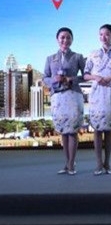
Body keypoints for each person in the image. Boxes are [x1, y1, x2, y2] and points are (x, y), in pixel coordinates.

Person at [83, 24, 111, 175]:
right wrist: (95, 77)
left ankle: (107, 163)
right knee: (97, 128)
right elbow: (85, 74)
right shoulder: (93, 53)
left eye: (107, 34)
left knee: (108, 129)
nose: (104, 37)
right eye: (101, 34)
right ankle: (98, 164)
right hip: (96, 93)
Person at [43, 27, 86, 175]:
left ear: (72, 40)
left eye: (68, 37)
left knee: (72, 131)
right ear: (57, 39)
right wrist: (54, 80)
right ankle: (67, 164)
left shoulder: (78, 57)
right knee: (63, 131)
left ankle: (71, 164)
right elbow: (45, 78)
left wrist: (71, 79)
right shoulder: (50, 58)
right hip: (57, 97)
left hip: (73, 95)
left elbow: (86, 76)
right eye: (62, 37)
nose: (65, 40)